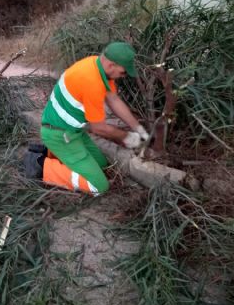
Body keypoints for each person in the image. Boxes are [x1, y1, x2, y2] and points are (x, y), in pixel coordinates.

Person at [24, 42, 149, 195]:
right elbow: (98, 128)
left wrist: (139, 129)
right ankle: (41, 165)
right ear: (111, 65)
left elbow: (114, 100)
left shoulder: (96, 65)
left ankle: (55, 155)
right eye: (123, 72)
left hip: (73, 132)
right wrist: (128, 137)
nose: (123, 76)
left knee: (102, 165)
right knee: (98, 186)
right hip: (60, 135)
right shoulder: (92, 82)